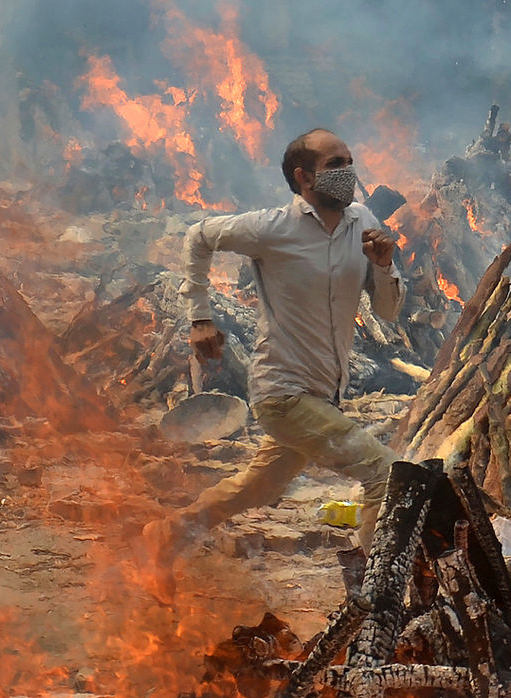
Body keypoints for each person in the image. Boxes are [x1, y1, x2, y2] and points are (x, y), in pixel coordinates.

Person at [146, 128, 406, 569]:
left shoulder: (363, 221)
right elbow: (199, 237)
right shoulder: (273, 228)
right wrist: (200, 318)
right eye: (336, 166)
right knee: (385, 473)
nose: (349, 173)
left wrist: (383, 266)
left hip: (324, 394)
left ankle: (168, 534)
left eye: (349, 161)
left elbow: (388, 311)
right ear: (305, 178)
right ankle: (377, 593)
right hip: (282, 393)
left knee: (260, 488)